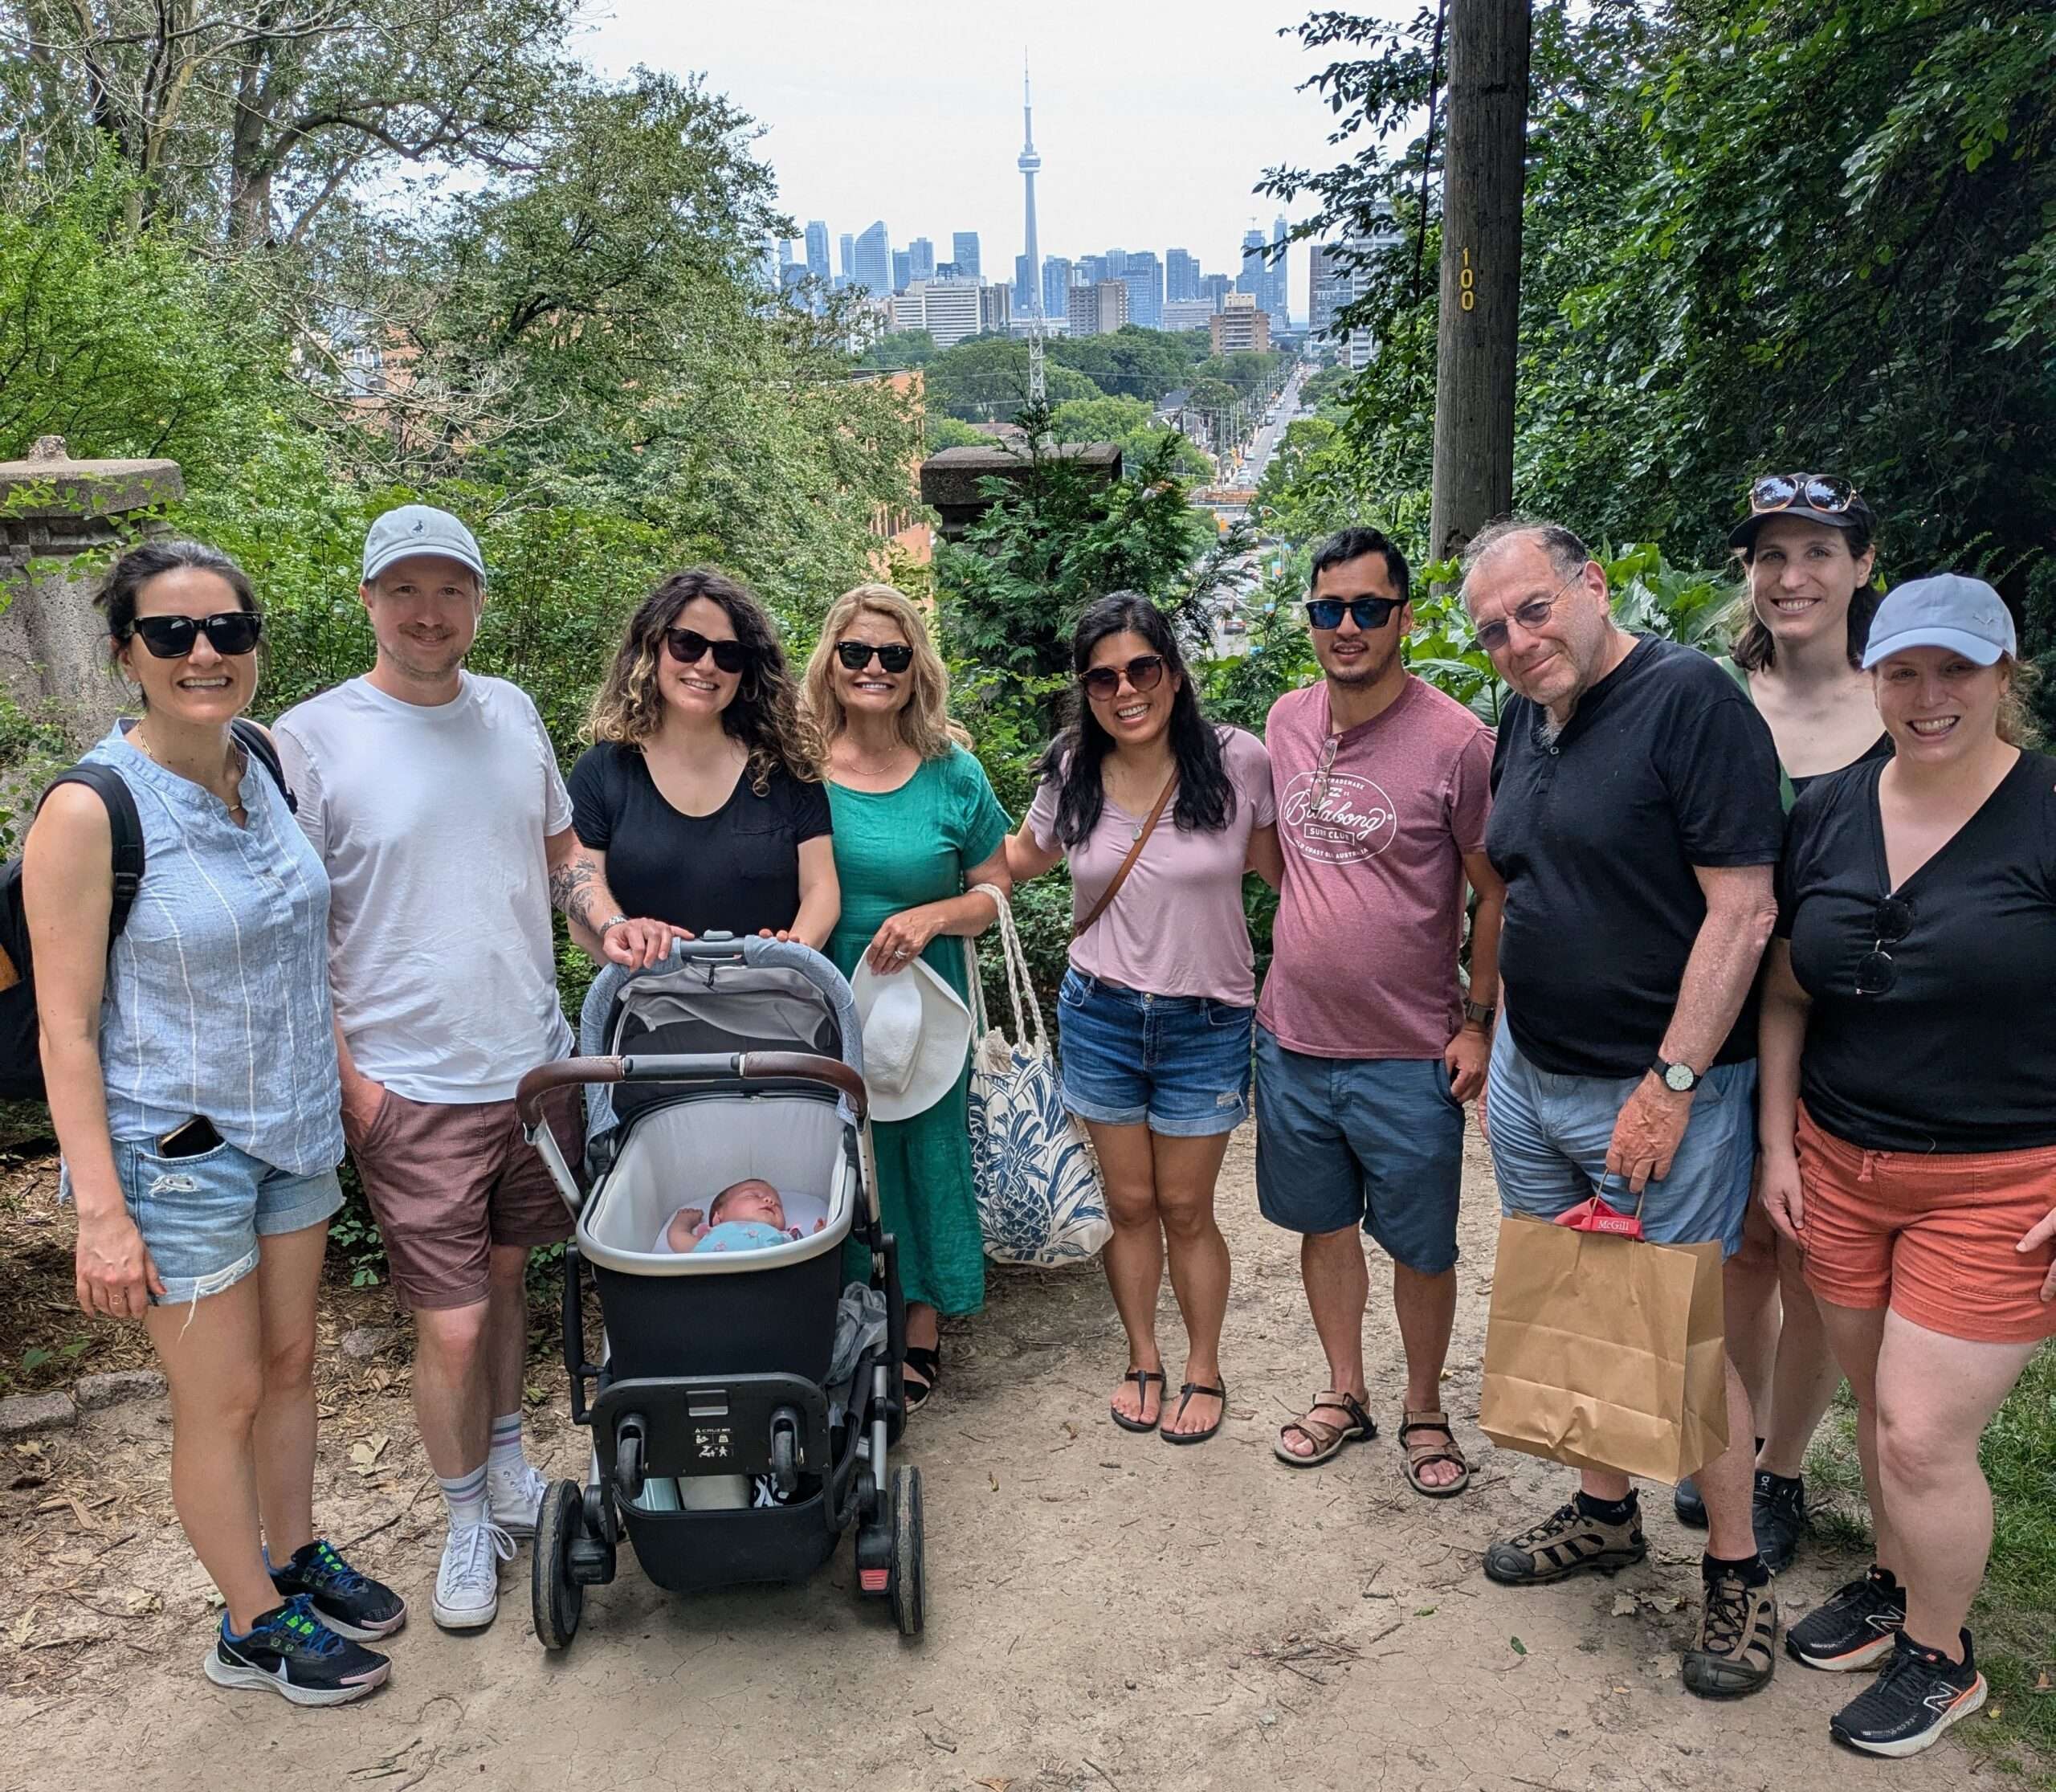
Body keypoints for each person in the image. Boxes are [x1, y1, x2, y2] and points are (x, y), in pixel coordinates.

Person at [27, 540, 400, 1705]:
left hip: (292, 1124)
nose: (204, 653)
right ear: (125, 653)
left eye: (227, 630)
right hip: (177, 1152)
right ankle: (248, 1622)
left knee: (290, 1366)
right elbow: (65, 1030)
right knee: (221, 1396)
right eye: (172, 633)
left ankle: (294, 1553)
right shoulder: (89, 811)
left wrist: (340, 1077)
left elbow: (299, 945)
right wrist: (100, 1212)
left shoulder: (264, 758)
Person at [1462, 519, 1787, 1700]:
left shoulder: (1690, 700)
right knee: (1575, 1298)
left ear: (1593, 584)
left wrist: (1673, 1083)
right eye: (1493, 629)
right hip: (1535, 1071)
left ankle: (1738, 1570)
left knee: (1679, 1334)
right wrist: (1500, 1037)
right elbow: (1526, 882)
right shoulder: (1527, 714)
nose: (1516, 640)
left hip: (1656, 1088)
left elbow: (1743, 910)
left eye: (1534, 608)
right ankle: (1604, 1511)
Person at [275, 506, 585, 1635]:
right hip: (409, 1085)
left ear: (477, 601)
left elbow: (561, 855)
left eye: (450, 589)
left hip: (532, 1069)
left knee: (505, 1285)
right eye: (404, 589)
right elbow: (288, 923)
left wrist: (604, 920)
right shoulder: (311, 737)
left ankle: (505, 1468)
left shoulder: (511, 710)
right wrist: (352, 1081)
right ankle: (461, 1516)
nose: (428, 611)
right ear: (368, 599)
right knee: (450, 1323)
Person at [1760, 573, 2050, 1757]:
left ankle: (1942, 1653)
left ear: (2003, 675)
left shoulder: (2045, 812)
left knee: (1922, 1432)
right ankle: (1893, 1580)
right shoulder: (1830, 809)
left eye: (1957, 669)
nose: (1930, 695)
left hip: (2002, 1181)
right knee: (1880, 1411)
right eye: (1904, 671)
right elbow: (1787, 988)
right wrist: (1776, 1143)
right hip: (1840, 1160)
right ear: (1873, 678)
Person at [1255, 528, 1503, 1496]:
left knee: (1421, 1244)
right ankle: (1344, 1391)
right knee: (1323, 1226)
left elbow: (1494, 892)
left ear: (1404, 615)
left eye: (1368, 607)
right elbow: (1275, 852)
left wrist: (1476, 1019)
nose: (1347, 626)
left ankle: (1425, 1408)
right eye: (1329, 608)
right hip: (1293, 1039)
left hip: (1408, 1049)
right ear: (1310, 619)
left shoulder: (1457, 742)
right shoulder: (1285, 720)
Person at [1673, 476, 1891, 1562]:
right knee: (1735, 1246)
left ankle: (1783, 1465)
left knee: (1809, 1251)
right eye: (1770, 555)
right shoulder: (1714, 698)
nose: (1791, 576)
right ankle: (1734, 1428)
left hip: (1848, 1021)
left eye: (1817, 552)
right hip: (1722, 1013)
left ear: (1863, 564)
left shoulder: (1904, 703)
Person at [1006, 594, 1279, 1445]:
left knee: (1186, 1206)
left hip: (1207, 1017)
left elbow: (1287, 876)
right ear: (1085, 691)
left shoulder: (1237, 761)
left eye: (1141, 668)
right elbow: (1018, 859)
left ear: (1174, 669)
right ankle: (1143, 1356)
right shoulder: (1070, 768)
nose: (1125, 690)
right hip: (1102, 1013)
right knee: (1129, 1203)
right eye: (1103, 678)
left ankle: (1204, 1365)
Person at [802, 583, 1010, 1412]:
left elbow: (994, 890)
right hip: (824, 996)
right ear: (831, 662)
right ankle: (847, 1317)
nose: (874, 667)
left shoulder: (953, 770)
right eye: (856, 651)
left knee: (925, 1152)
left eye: (893, 654)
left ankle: (920, 1323)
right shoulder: (796, 766)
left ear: (917, 666)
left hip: (928, 999)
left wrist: (933, 916)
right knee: (838, 1153)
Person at [559, 567, 837, 960]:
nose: (707, 665)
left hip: (771, 993)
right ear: (652, 647)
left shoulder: (787, 769)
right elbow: (583, 919)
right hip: (643, 994)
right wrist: (641, 960)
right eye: (687, 644)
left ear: (747, 670)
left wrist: (790, 956)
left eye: (728, 653)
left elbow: (822, 890)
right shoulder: (602, 772)